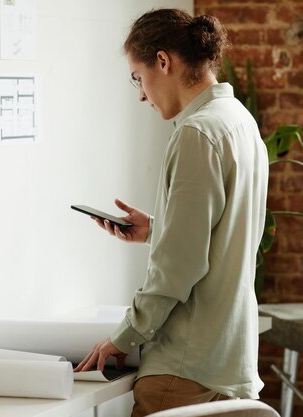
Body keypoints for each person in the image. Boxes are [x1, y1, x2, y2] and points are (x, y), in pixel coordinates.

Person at [74, 8, 269, 417]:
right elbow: (223, 233)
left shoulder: (197, 134)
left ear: (163, 61)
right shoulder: (240, 122)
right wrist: (157, 229)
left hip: (184, 372)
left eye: (138, 78)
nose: (141, 94)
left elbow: (178, 266)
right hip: (229, 361)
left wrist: (125, 336)